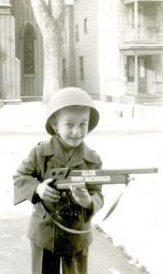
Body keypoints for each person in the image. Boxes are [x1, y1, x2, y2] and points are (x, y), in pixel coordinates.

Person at [13, 87, 104, 274]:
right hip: (44, 233)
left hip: (77, 236)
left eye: (83, 124)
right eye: (69, 124)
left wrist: (86, 200)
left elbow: (98, 195)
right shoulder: (40, 153)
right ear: (55, 126)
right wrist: (38, 189)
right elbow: (20, 177)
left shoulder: (92, 160)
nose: (77, 131)